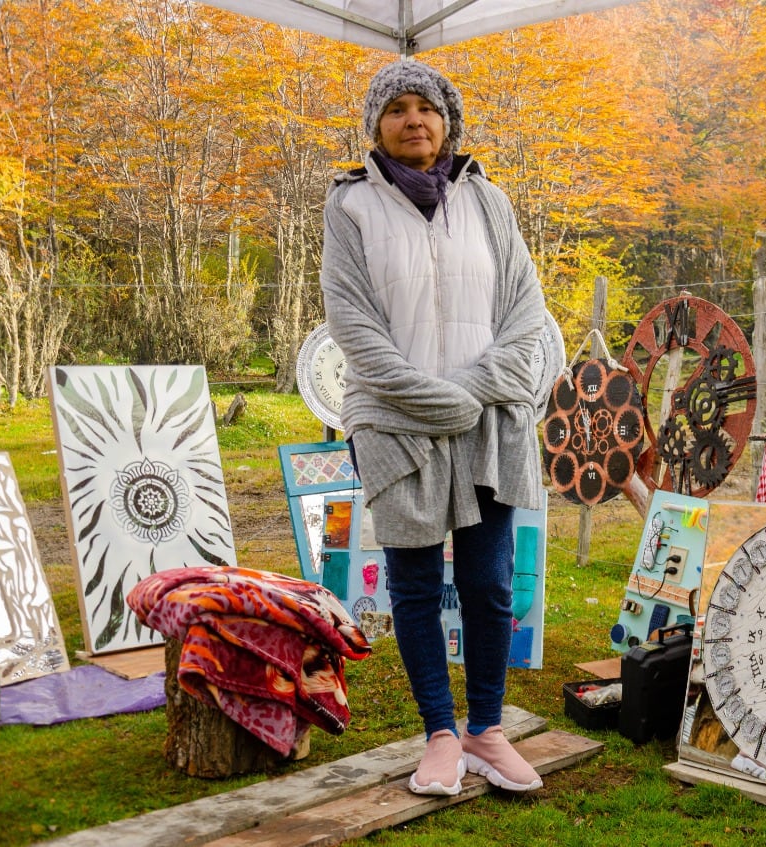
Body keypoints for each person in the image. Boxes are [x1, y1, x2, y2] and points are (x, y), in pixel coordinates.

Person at [319, 59, 547, 796]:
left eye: (427, 108)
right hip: (396, 422)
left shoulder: (490, 203)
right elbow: (352, 324)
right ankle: (440, 736)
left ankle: (486, 727)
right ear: (376, 126)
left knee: (487, 582)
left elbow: (525, 316)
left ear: (448, 122)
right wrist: (440, 400)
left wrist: (472, 392)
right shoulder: (350, 206)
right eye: (398, 109)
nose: (414, 119)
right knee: (415, 585)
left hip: (488, 420)